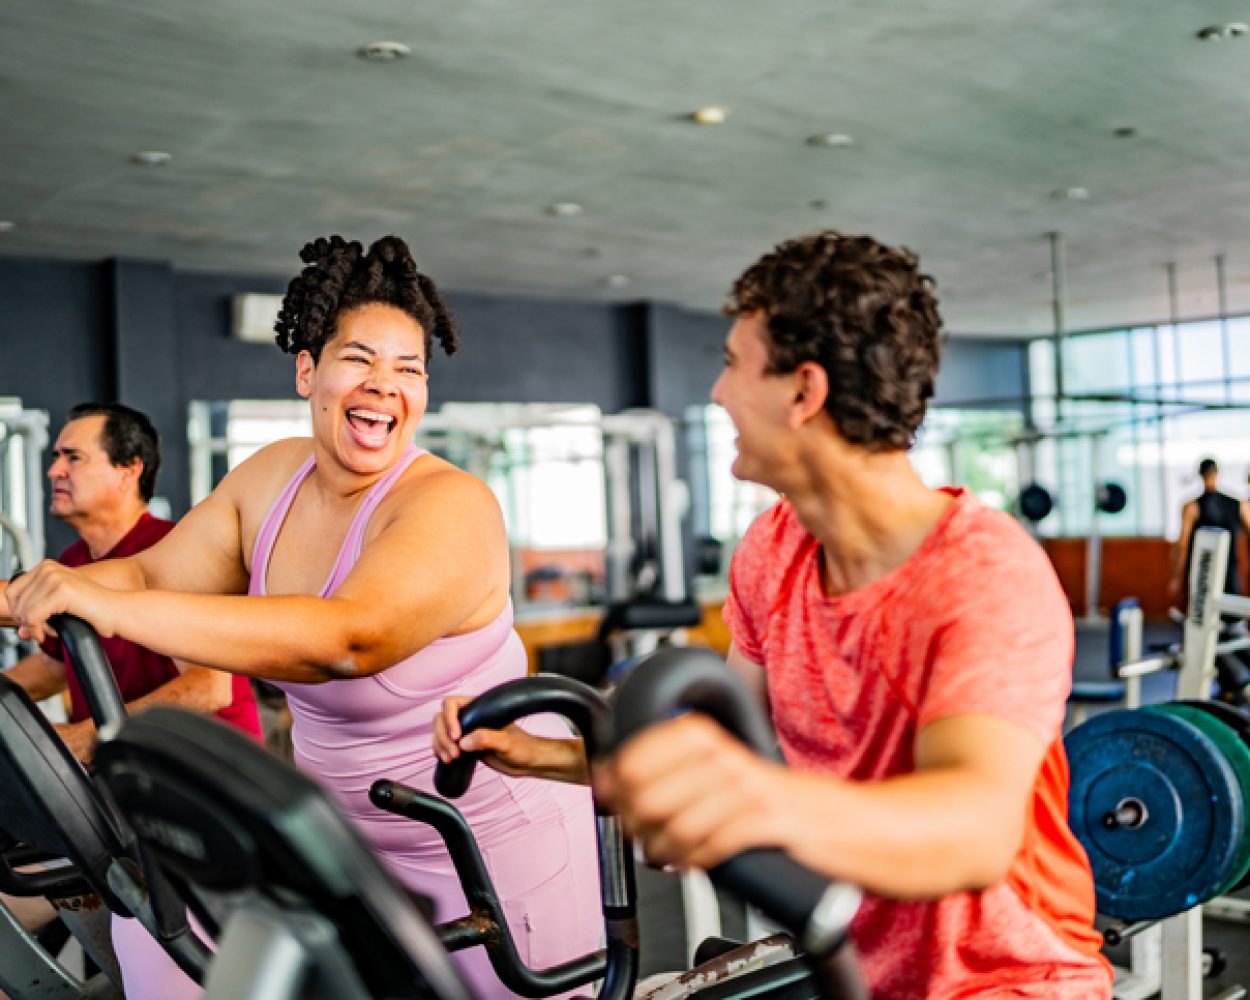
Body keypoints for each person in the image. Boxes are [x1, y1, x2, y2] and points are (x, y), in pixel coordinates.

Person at [437, 231, 1112, 997]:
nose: (719, 392)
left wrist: (751, 802)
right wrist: (549, 757)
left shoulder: (985, 576)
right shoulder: (774, 549)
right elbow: (729, 749)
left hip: (1010, 978)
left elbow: (974, 830)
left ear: (804, 392)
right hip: (849, 965)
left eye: (732, 364)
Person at [2, 235, 602, 999]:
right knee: (160, 928)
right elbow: (156, 569)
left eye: (408, 368)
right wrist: (25, 593)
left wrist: (101, 600)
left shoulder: (451, 505)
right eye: (359, 359)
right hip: (338, 841)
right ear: (307, 370)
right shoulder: (273, 478)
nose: (385, 385)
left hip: (487, 847)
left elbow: (350, 638)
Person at [0, 402, 262, 941]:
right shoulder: (73, 563)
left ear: (129, 468)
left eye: (73, 457)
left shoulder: (176, 552)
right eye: (54, 458)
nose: (54, 470)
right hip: (122, 787)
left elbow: (210, 687)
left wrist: (86, 737)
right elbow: (54, 664)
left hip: (202, 788)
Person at [1169, 456, 1250, 701]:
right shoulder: (1238, 505)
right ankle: (1228, 688)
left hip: (1202, 580)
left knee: (1206, 630)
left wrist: (1175, 577)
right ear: (1216, 473)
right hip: (1231, 579)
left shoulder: (1191, 506)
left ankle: (1231, 686)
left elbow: (1182, 545)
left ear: (1201, 475)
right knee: (1226, 630)